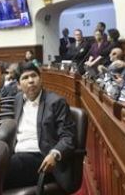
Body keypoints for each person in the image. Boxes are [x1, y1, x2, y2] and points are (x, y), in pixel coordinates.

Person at [4, 62, 76, 190]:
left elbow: (68, 136)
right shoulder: (19, 99)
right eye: (25, 78)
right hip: (18, 155)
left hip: (42, 158)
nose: (31, 80)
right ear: (19, 85)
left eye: (34, 76)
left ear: (40, 79)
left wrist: (55, 154)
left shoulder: (56, 102)